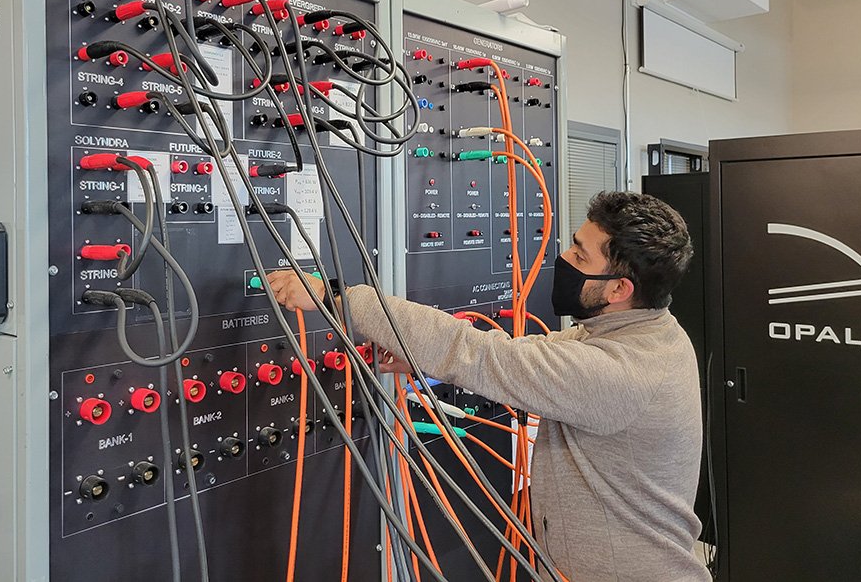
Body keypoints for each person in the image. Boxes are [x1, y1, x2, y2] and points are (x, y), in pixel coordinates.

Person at [267, 191, 710, 582]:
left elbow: (482, 354)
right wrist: (423, 359)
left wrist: (335, 296)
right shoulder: (652, 333)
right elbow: (540, 355)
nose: (565, 261)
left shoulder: (622, 372)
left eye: (580, 256)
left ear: (618, 289)